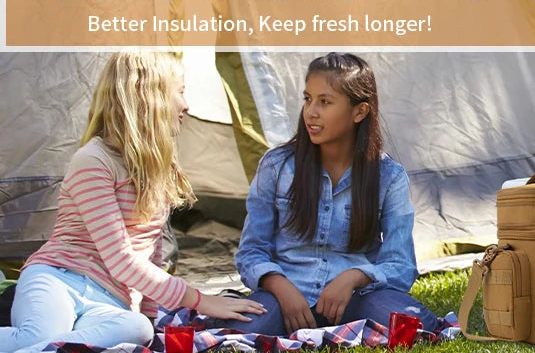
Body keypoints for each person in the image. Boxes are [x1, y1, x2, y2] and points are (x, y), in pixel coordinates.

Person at [1, 51, 263, 353]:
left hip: (110, 299)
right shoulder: (93, 161)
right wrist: (201, 300)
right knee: (37, 335)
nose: (186, 105)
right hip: (59, 279)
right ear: (148, 97)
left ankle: (48, 349)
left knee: (136, 330)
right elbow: (121, 258)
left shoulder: (155, 166)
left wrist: (150, 318)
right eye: (179, 92)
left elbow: (151, 250)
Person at [218, 53, 440, 336]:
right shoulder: (276, 166)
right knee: (238, 333)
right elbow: (251, 251)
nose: (311, 112)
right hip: (285, 296)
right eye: (307, 99)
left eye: (325, 102)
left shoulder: (389, 176)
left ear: (359, 112)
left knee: (417, 326)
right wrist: (280, 286)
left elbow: (401, 265)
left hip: (355, 298)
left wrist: (353, 278)